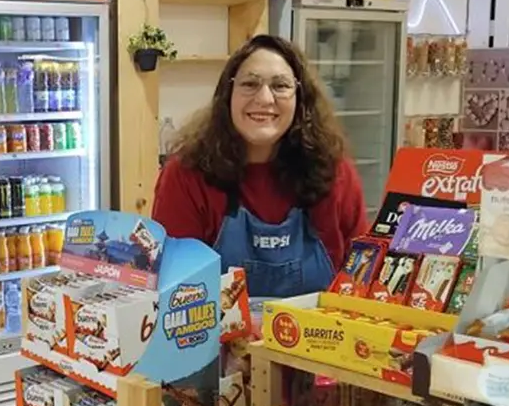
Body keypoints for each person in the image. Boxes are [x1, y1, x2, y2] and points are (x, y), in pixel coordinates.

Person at [152, 34, 368, 298]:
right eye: (250, 84)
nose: (265, 99)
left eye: (280, 85)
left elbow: (360, 278)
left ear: (300, 98)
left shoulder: (335, 173)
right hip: (217, 340)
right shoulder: (186, 175)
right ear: (227, 94)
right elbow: (176, 292)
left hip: (320, 337)